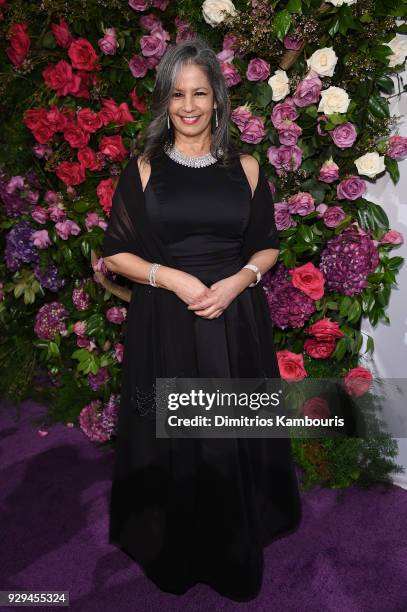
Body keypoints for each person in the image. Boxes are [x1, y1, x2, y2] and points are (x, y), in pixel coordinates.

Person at [102, 36, 302, 602]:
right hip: (167, 316)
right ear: (165, 101)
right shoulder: (144, 170)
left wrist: (240, 281)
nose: (188, 106)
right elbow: (116, 251)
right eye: (177, 94)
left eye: (200, 93)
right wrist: (173, 277)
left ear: (217, 100)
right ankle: (177, 553)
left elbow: (266, 245)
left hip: (234, 318)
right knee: (178, 442)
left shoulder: (247, 167)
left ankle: (235, 550)